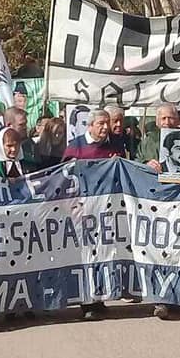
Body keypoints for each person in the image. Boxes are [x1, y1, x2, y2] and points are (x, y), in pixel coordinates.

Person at [135, 104, 180, 319]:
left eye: (171, 119)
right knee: (158, 249)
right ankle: (160, 300)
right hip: (156, 204)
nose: (167, 123)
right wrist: (146, 165)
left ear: (178, 120)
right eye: (163, 119)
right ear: (157, 120)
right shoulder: (149, 141)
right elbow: (134, 167)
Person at [61, 109, 118, 321]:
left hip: (105, 210)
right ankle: (87, 302)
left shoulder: (112, 147)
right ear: (90, 125)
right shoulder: (75, 147)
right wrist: (72, 207)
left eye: (107, 123)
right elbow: (65, 179)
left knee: (103, 253)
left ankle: (99, 297)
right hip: (82, 210)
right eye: (101, 123)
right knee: (86, 255)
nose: (105, 127)